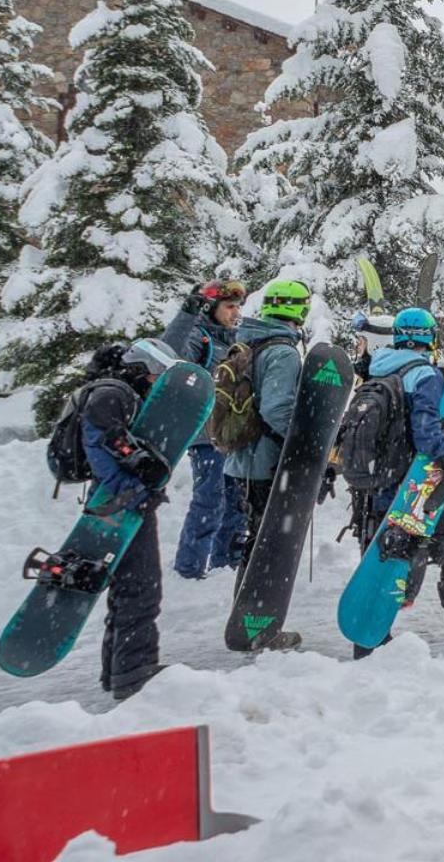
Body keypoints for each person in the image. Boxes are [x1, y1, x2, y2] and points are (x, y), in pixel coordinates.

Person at [351, 306, 444, 656]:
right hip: (415, 484)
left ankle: (369, 642)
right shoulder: (424, 376)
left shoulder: (375, 370)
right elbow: (425, 433)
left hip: (377, 483)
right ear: (430, 338)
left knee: (383, 559)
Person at [76, 337, 184, 700]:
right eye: (155, 377)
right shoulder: (112, 394)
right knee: (141, 587)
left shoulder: (116, 391)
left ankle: (119, 670)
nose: (156, 385)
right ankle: (134, 674)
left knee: (128, 588)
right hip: (121, 501)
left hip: (122, 499)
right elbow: (105, 442)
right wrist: (140, 472)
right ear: (140, 369)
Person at [222, 278, 309, 649]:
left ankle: (250, 618)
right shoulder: (282, 352)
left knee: (257, 544)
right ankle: (259, 625)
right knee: (268, 548)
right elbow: (276, 408)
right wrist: (305, 442)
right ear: (298, 310)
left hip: (243, 460)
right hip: (267, 463)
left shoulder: (249, 341)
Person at [163, 279, 247, 578]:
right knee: (210, 498)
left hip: (231, 434)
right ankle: (190, 567)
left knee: (237, 500)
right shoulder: (200, 336)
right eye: (229, 306)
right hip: (206, 435)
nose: (235, 312)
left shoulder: (235, 338)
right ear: (212, 308)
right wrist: (188, 312)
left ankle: (226, 563)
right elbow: (170, 354)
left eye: (237, 307)